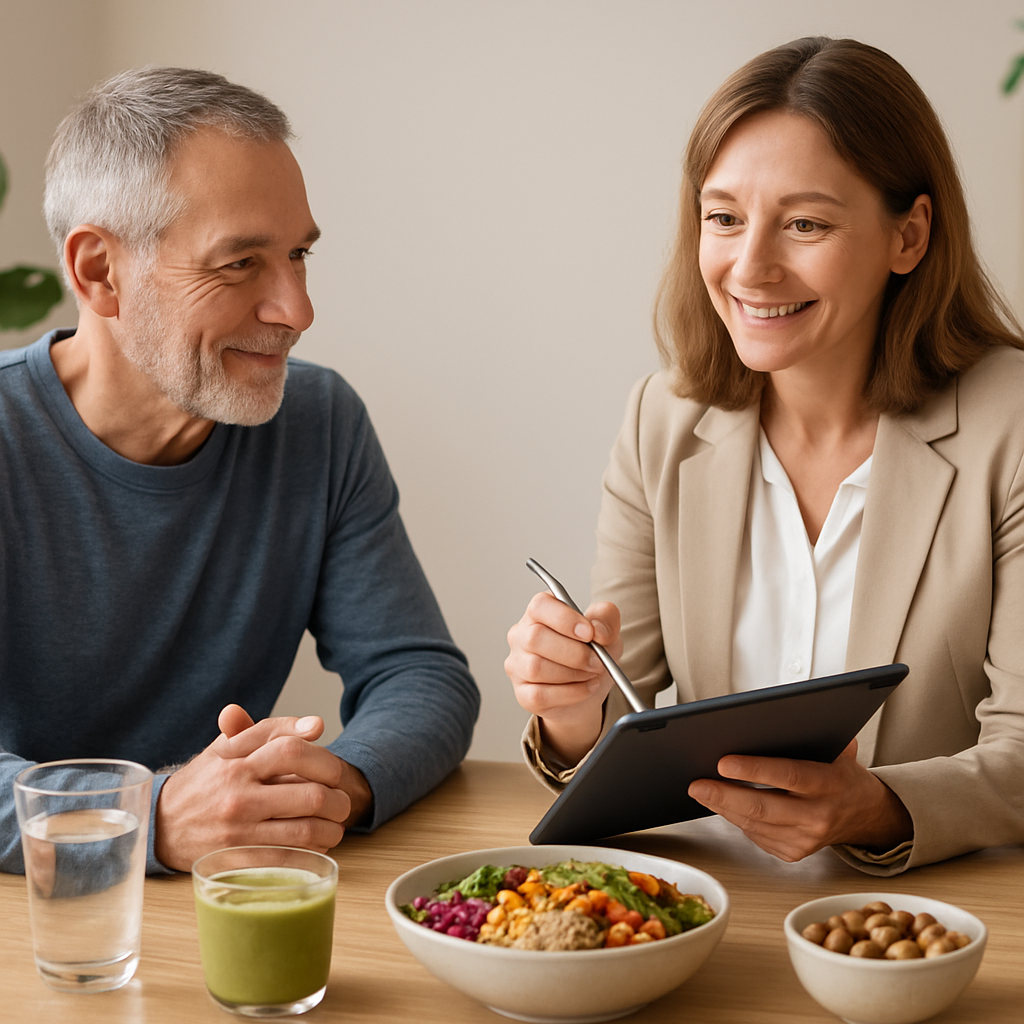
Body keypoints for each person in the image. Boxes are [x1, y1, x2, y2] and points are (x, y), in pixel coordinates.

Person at [505, 36, 1024, 876]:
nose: (750, 268)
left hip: (934, 927)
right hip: (718, 910)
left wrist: (877, 809)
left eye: (806, 223)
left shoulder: (1013, 425)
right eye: (724, 218)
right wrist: (570, 707)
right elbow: (619, 720)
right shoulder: (661, 420)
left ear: (910, 235)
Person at [0, 67, 479, 875]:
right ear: (98, 272)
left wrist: (327, 789)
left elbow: (417, 674)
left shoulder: (320, 423)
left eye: (297, 254)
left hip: (243, 898)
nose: (297, 309)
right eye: (240, 263)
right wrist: (148, 818)